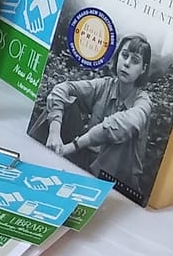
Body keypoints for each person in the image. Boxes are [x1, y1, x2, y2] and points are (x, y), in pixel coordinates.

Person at [40, 34, 155, 191]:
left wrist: (73, 145)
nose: (126, 63)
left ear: (143, 69)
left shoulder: (143, 102)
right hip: (86, 160)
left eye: (135, 60)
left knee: (118, 136)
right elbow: (62, 88)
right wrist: (54, 131)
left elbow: (121, 125)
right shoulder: (105, 86)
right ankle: (41, 159)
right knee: (65, 103)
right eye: (124, 55)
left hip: (117, 178)